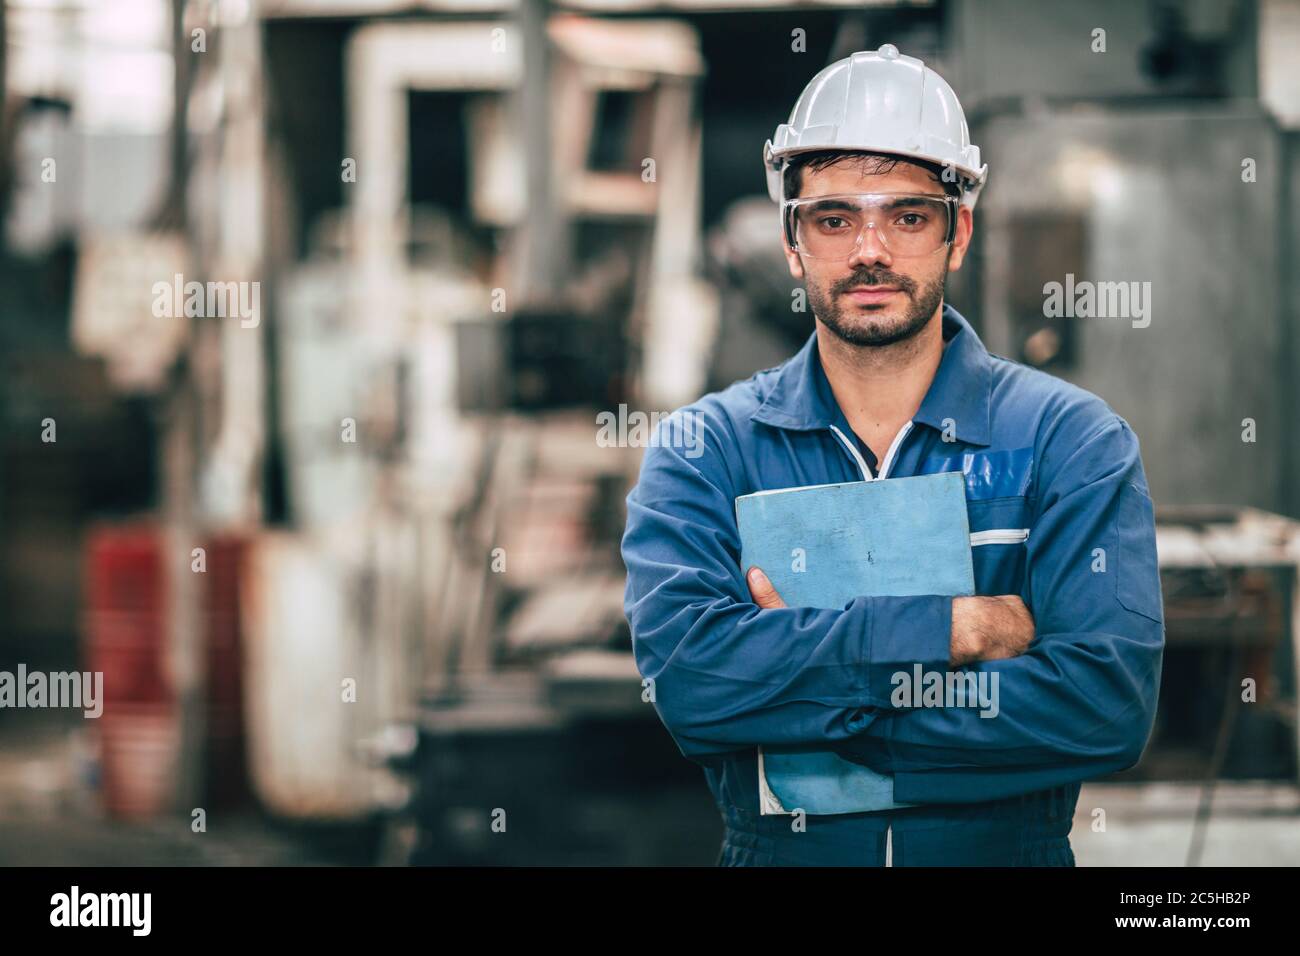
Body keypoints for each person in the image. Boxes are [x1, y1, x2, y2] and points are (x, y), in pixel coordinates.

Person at [620, 45, 1165, 866]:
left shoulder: (1069, 441)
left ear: (958, 232)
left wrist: (809, 694)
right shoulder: (707, 451)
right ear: (791, 241)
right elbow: (694, 688)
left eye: (907, 216)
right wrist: (952, 630)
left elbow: (1103, 707)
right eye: (834, 218)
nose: (869, 250)